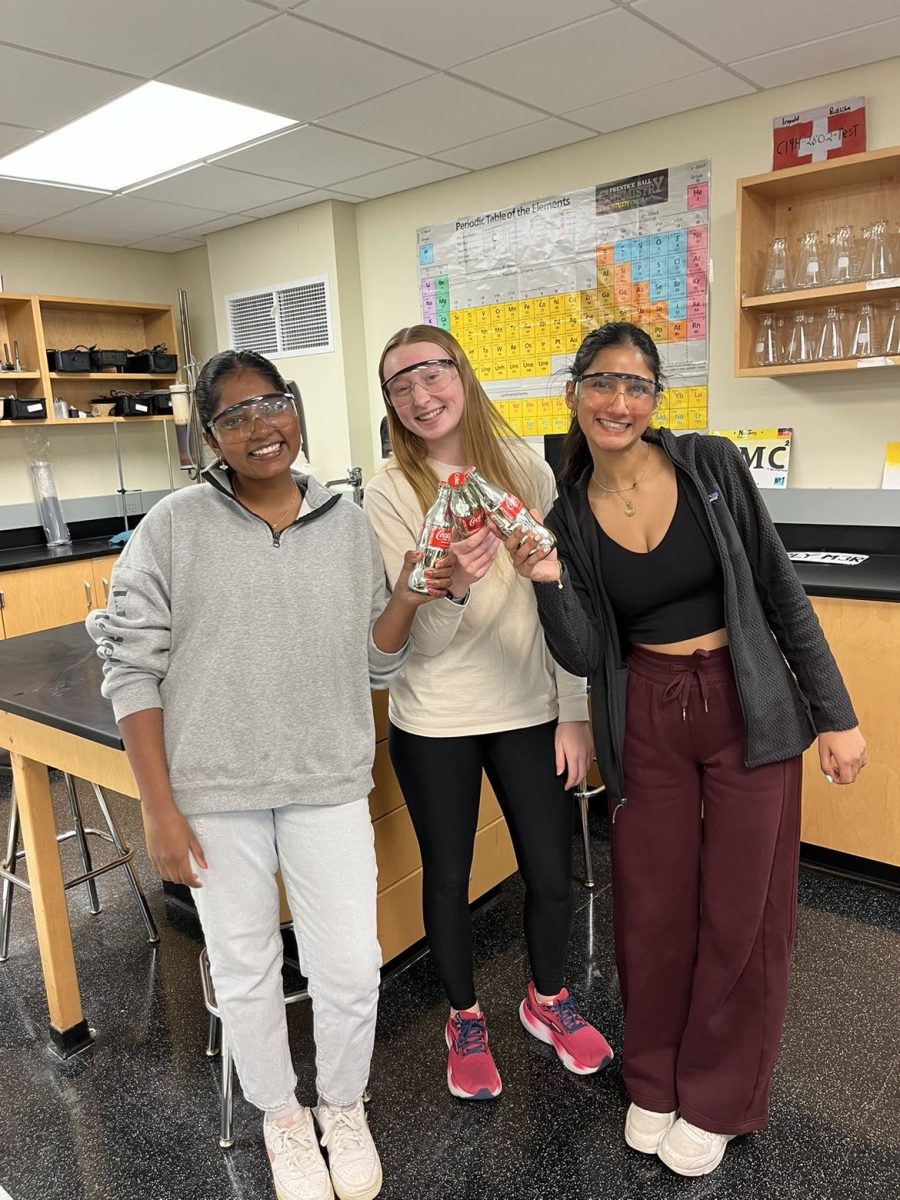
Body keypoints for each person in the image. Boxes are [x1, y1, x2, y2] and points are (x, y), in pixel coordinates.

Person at [87, 350, 453, 1200]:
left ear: (296, 410)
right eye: (236, 415)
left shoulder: (347, 521)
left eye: (274, 404)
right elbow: (130, 669)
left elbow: (373, 660)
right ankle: (282, 1121)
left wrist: (405, 596)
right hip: (215, 794)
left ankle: (341, 1106)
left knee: (350, 966)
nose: (261, 426)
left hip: (327, 779)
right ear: (208, 438)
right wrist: (159, 811)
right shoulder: (174, 526)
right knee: (247, 967)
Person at [505, 322, 867, 1176]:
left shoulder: (710, 467)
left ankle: (717, 1094)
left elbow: (781, 590)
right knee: (653, 904)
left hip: (747, 702)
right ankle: (656, 1078)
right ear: (574, 394)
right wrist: (548, 582)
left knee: (746, 906)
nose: (617, 401)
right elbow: (586, 652)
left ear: (656, 397)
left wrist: (836, 715)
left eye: (636, 385)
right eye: (601, 383)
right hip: (650, 709)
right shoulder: (566, 517)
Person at [363, 325, 614, 1103]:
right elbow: (415, 648)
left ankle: (547, 999)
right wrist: (453, 584)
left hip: (527, 706)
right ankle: (463, 1017)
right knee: (448, 876)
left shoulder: (523, 469)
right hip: (435, 715)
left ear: (462, 376)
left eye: (432, 374)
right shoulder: (388, 493)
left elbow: (557, 602)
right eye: (399, 385)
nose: (419, 395)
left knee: (550, 869)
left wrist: (571, 710)